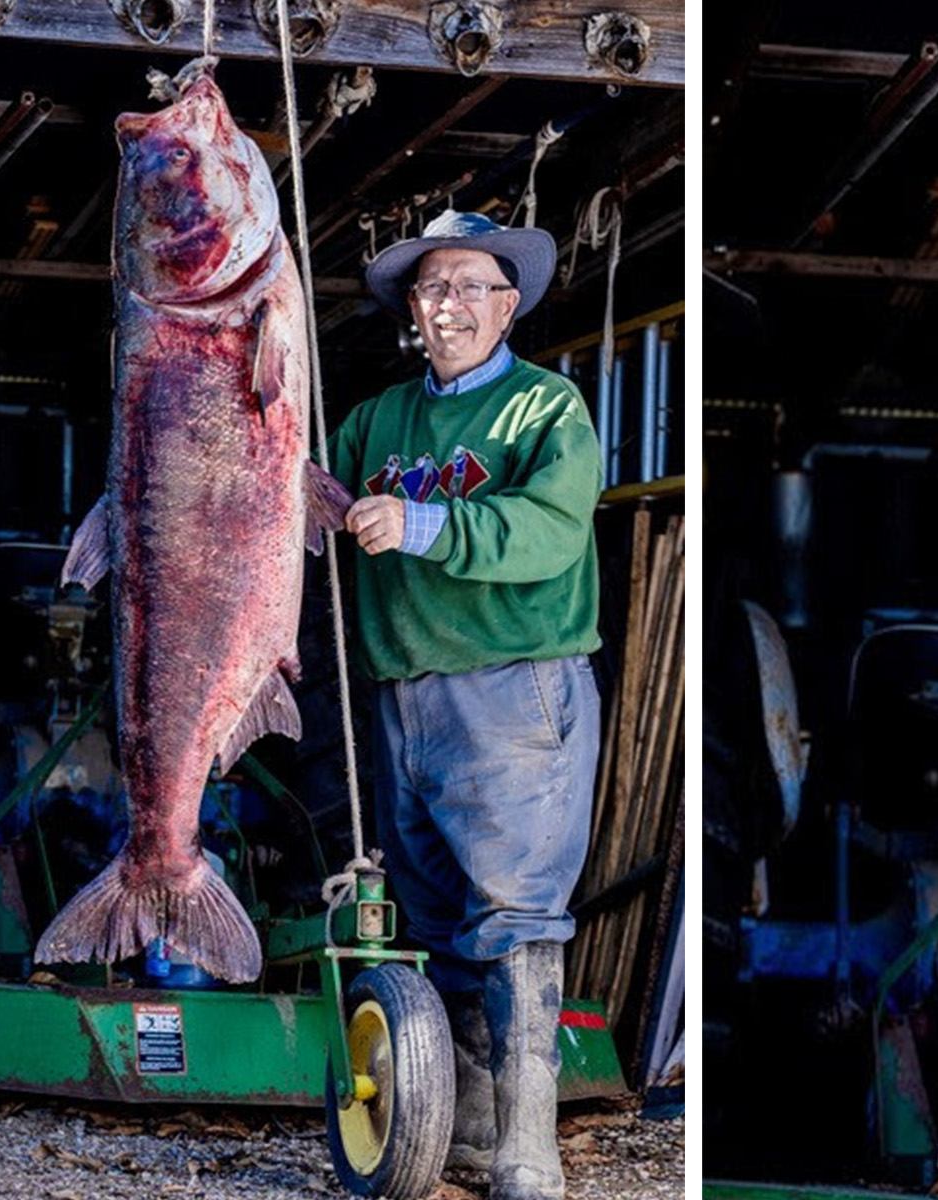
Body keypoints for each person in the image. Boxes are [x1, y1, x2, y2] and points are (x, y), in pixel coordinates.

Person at [333, 208, 604, 1200]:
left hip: (513, 688)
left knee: (515, 916)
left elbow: (548, 533)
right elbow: (312, 505)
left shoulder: (546, 411)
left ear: (508, 302)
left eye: (469, 287)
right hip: (404, 691)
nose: (448, 305)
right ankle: (469, 1135)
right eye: (431, 288)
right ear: (411, 308)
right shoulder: (375, 420)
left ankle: (530, 1157)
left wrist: (421, 523)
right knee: (440, 919)